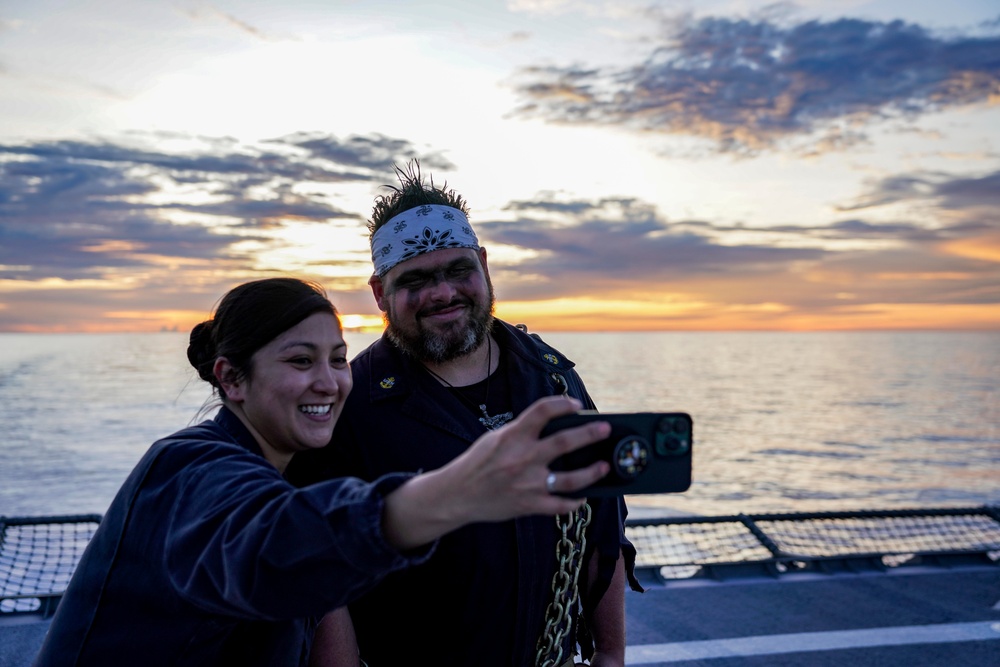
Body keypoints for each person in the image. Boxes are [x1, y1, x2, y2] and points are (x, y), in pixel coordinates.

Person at [32, 277, 614, 667]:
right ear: (231, 379)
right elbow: (269, 549)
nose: (329, 382)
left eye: (338, 360)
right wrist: (457, 491)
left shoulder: (282, 471)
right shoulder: (187, 467)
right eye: (299, 360)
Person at [289, 164, 641, 667]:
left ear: (483, 265)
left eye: (458, 270)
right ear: (379, 294)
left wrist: (609, 654)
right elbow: (328, 583)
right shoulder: (351, 406)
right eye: (415, 279)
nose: (442, 293)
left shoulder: (553, 377)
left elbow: (603, 528)